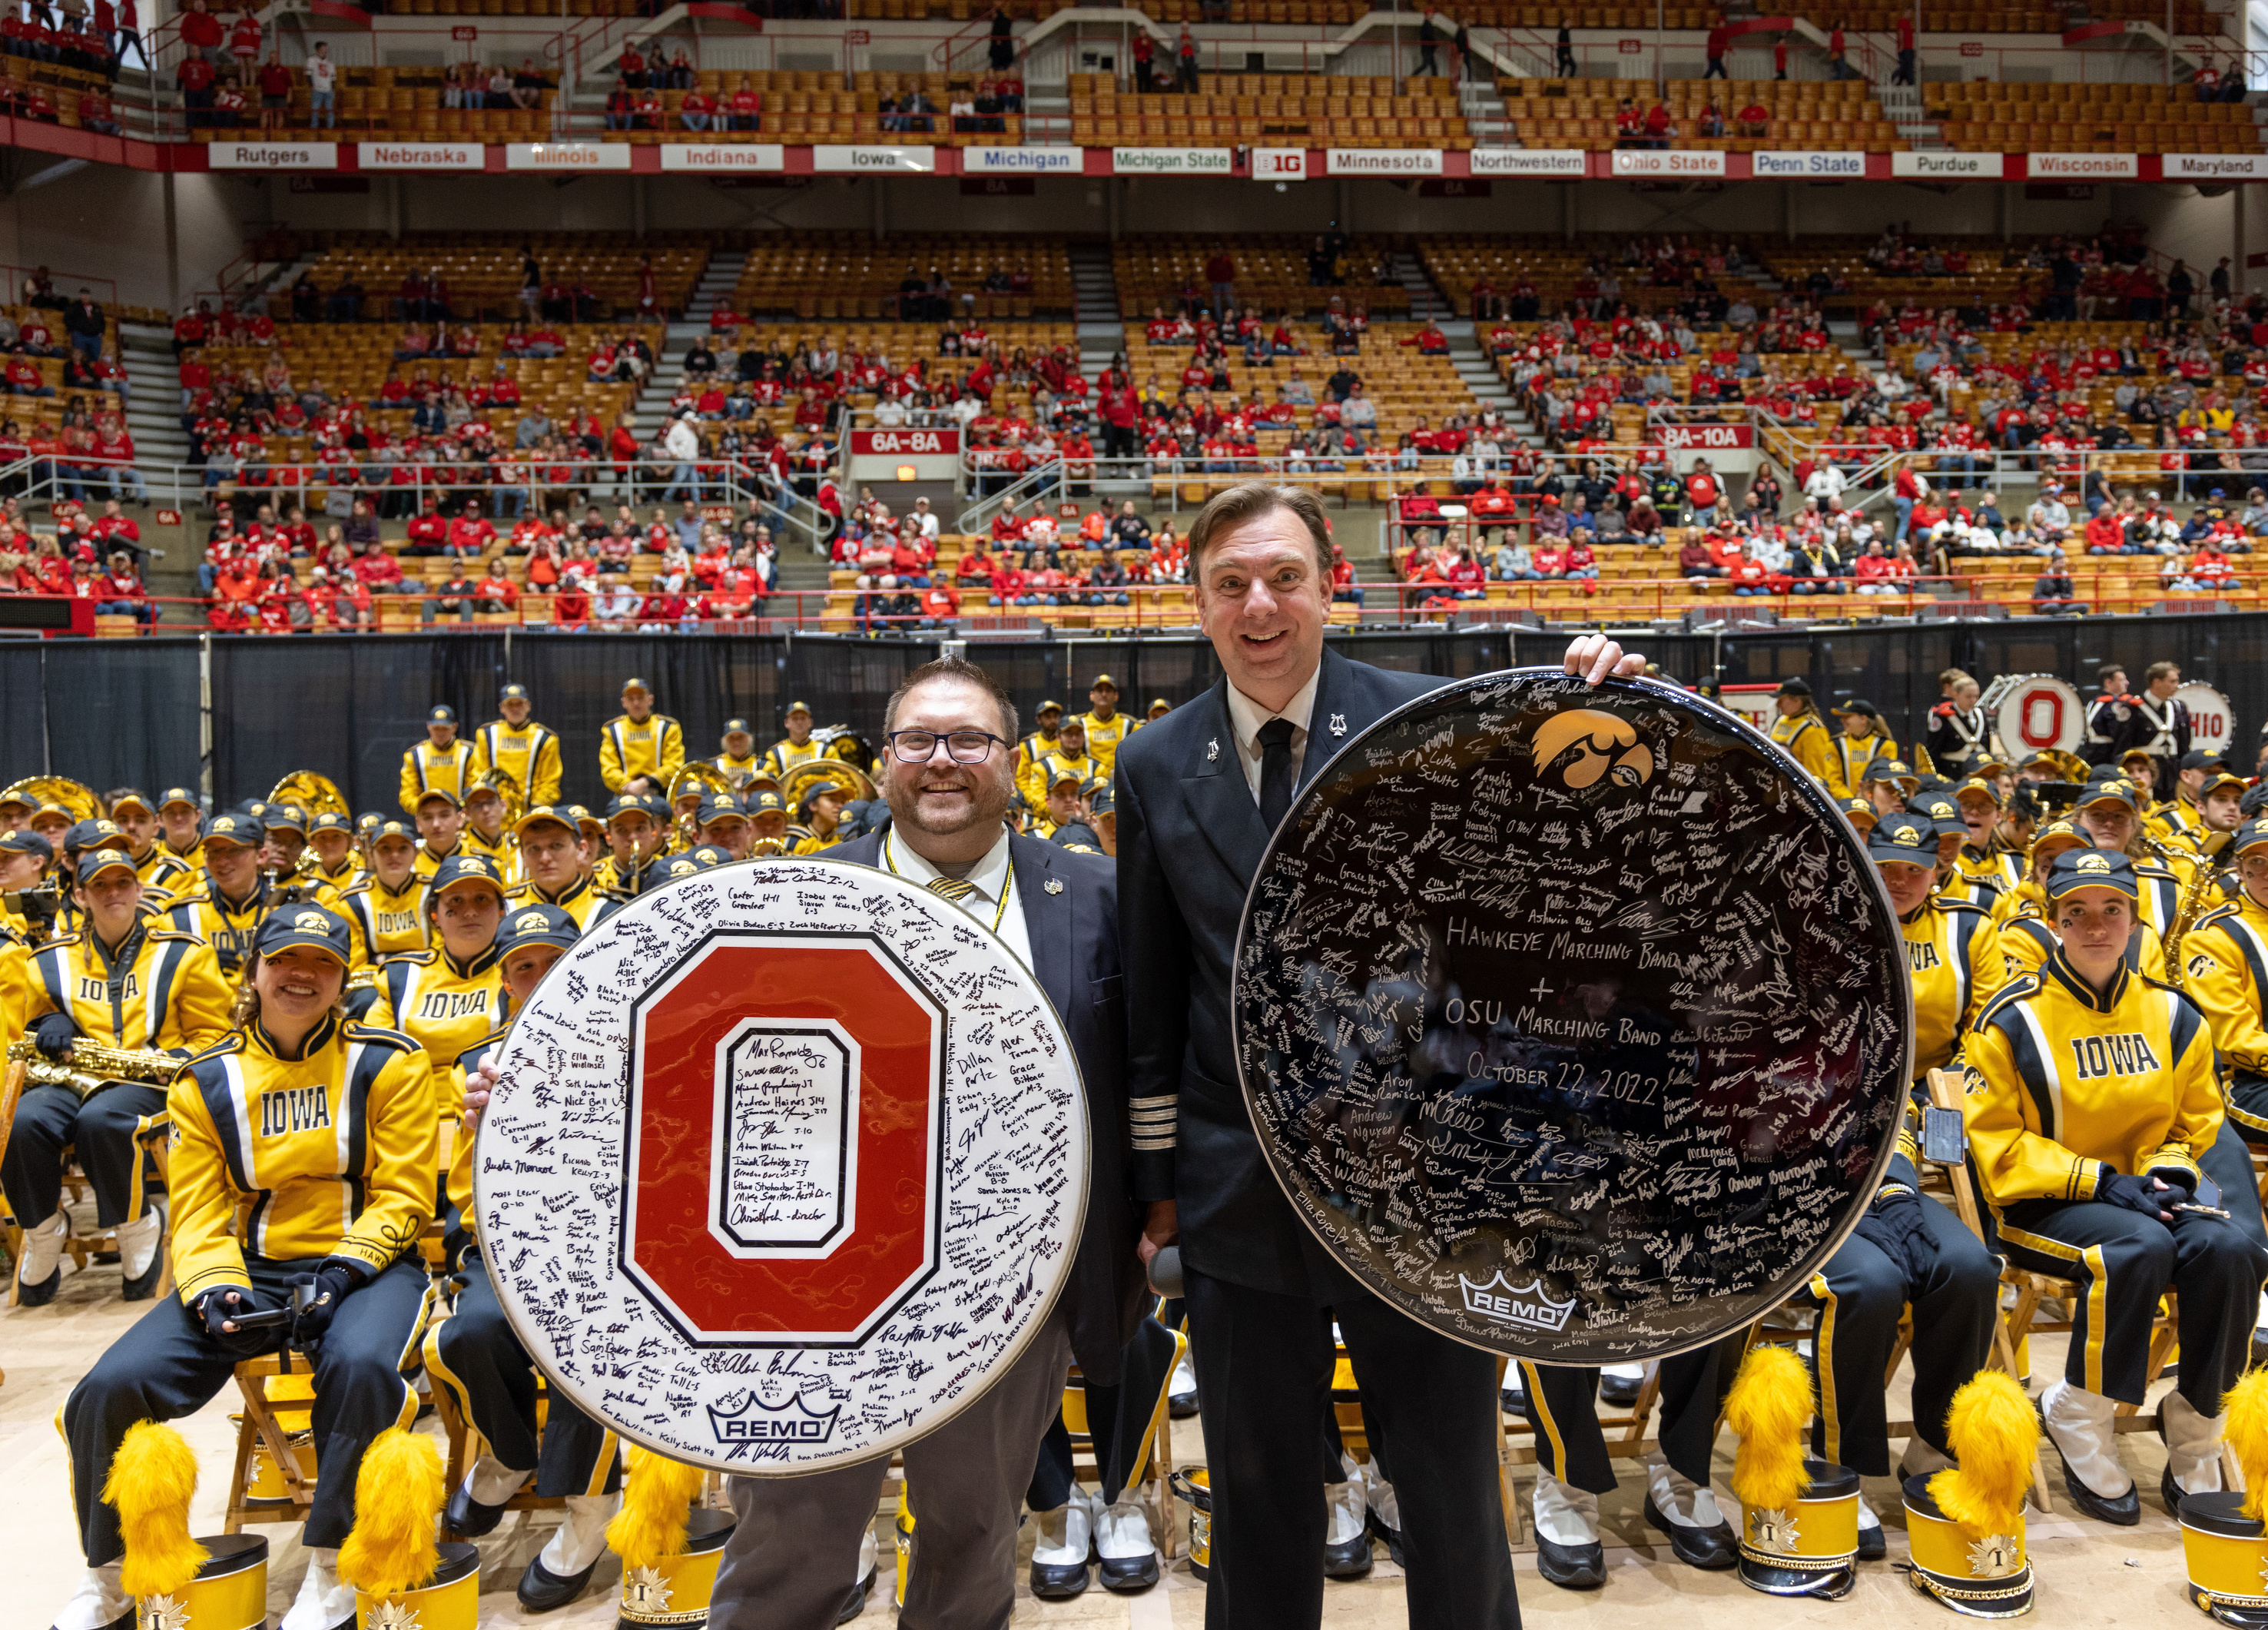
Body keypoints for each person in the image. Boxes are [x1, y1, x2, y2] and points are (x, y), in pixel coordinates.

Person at [1113, 480, 1643, 1629]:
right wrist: (1159, 1194)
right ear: (1197, 601)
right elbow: (1154, 1004)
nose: (1260, 606)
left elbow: (1579, 865)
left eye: (1285, 578)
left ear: (1328, 585)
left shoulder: (1434, 718)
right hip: (1236, 1188)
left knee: (1451, 1484)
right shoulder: (1154, 761)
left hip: (1428, 1190)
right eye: (1231, 583)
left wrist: (1626, 707)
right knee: (1254, 1497)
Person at [601, 653, 1145, 1629]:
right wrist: (546, 1091)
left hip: (1004, 1289)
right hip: (803, 1287)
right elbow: (685, 1066)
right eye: (919, 741)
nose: (944, 761)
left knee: (974, 1540)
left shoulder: (1101, 899)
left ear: (1012, 763)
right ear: (883, 762)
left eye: (971, 740)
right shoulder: (788, 897)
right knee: (787, 1553)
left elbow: (1148, 1073)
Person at [51, 905, 435, 1630]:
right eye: (286, 959)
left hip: (368, 1266)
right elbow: (196, 1211)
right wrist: (216, 1290)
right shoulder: (204, 1079)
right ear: (254, 970)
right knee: (107, 1388)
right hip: (249, 1266)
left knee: (361, 1367)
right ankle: (114, 1573)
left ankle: (332, 1564)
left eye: (322, 963)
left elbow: (406, 1193)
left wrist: (344, 1273)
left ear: (343, 981)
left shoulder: (391, 1060)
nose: (302, 975)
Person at [1966, 848, 2268, 1521]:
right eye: (2077, 913)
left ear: (2135, 921)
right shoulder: (2010, 1019)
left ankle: (2195, 1419)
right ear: (2054, 923)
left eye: (2112, 910)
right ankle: (2078, 1406)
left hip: (2146, 1192)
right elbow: (1996, 1145)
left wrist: (2166, 1170)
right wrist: (2098, 1179)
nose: (2095, 926)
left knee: (2234, 1249)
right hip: (2042, 1205)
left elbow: (2197, 1122)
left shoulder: (2174, 1012)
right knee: (2138, 1247)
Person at [1786, 817, 2001, 1549]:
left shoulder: (1888, 979)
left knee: (1971, 1265)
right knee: (1870, 1285)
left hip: (1886, 1166)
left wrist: (1898, 1176)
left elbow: (1897, 1093)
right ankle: (1842, 1461)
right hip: (1801, 1185)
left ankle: (1934, 1447)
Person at [428, 903, 624, 1614]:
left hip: (607, 1243)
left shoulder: (630, 1040)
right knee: (464, 1333)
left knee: (584, 1334)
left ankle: (590, 1508)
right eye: (522, 966)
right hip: (505, 1239)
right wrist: (489, 1132)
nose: (539, 978)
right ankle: (511, 1453)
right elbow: (461, 1191)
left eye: (553, 961)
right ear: (505, 981)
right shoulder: (472, 1067)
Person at [4, 846, 234, 1305]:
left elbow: (214, 1034)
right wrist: (46, 1022)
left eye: (122, 883)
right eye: (100, 885)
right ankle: (43, 1227)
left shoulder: (185, 954)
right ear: (81, 895)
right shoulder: (47, 960)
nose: (113, 893)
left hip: (152, 1080)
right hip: (73, 1078)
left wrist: (168, 1058)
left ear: (139, 888)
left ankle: (136, 1223)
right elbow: (31, 1028)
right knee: (21, 1122)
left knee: (103, 1119)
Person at [364, 854, 506, 1076]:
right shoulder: (400, 976)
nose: (470, 911)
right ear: (434, 914)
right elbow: (373, 1061)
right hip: (412, 1105)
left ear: (501, 911)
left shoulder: (519, 971)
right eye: (456, 901)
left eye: (482, 899)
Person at [503, 802, 615, 928]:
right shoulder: (505, 909)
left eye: (556, 846)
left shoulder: (610, 911)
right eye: (534, 848)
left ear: (581, 850)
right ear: (523, 856)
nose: (545, 858)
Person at [468, 681, 562, 807]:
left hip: (531, 809)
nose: (515, 708)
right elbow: (478, 775)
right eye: (509, 704)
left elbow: (550, 781)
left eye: (519, 703)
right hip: (493, 809)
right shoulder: (486, 734)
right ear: (501, 707)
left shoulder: (545, 739)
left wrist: (535, 808)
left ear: (528, 706)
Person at [598, 675, 685, 794]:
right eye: (630, 699)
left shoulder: (668, 727)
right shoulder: (612, 730)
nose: (636, 703)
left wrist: (645, 783)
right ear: (623, 702)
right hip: (626, 795)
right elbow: (608, 771)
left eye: (640, 698)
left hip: (661, 794)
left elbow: (674, 765)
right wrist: (630, 787)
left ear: (650, 700)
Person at [1767, 676, 1841, 792]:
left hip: (1793, 793)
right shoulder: (1780, 720)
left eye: (1781, 700)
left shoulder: (1814, 730)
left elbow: (1816, 776)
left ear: (1797, 701)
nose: (1778, 704)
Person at [398, 702, 473, 815]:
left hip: (463, 819)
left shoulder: (469, 752)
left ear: (454, 727)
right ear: (428, 726)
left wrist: (463, 811)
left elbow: (475, 787)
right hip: (429, 821)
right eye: (436, 728)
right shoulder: (415, 755)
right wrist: (427, 811)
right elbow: (407, 794)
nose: (440, 733)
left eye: (444, 728)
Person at [1925, 668, 1990, 783]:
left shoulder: (1981, 715)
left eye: (1976, 696)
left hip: (1979, 773)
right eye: (1968, 697)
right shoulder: (1943, 716)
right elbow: (1933, 751)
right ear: (1955, 695)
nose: (1973, 700)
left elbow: (1988, 746)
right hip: (1952, 774)